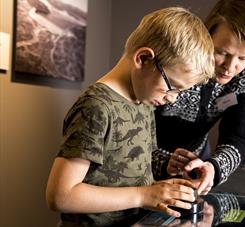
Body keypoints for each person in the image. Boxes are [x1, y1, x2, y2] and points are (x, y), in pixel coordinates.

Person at [45, 7, 215, 226]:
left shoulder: (142, 100)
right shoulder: (96, 108)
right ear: (143, 58)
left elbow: (138, 158)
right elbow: (60, 195)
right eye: (172, 87)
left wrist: (168, 164)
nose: (172, 99)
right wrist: (143, 196)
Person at [152, 0, 245, 195]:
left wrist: (214, 167)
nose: (230, 67)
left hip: (195, 157)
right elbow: (133, 130)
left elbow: (237, 137)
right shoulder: (180, 53)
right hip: (145, 155)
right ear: (206, 35)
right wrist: (163, 162)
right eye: (221, 52)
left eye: (242, 58)